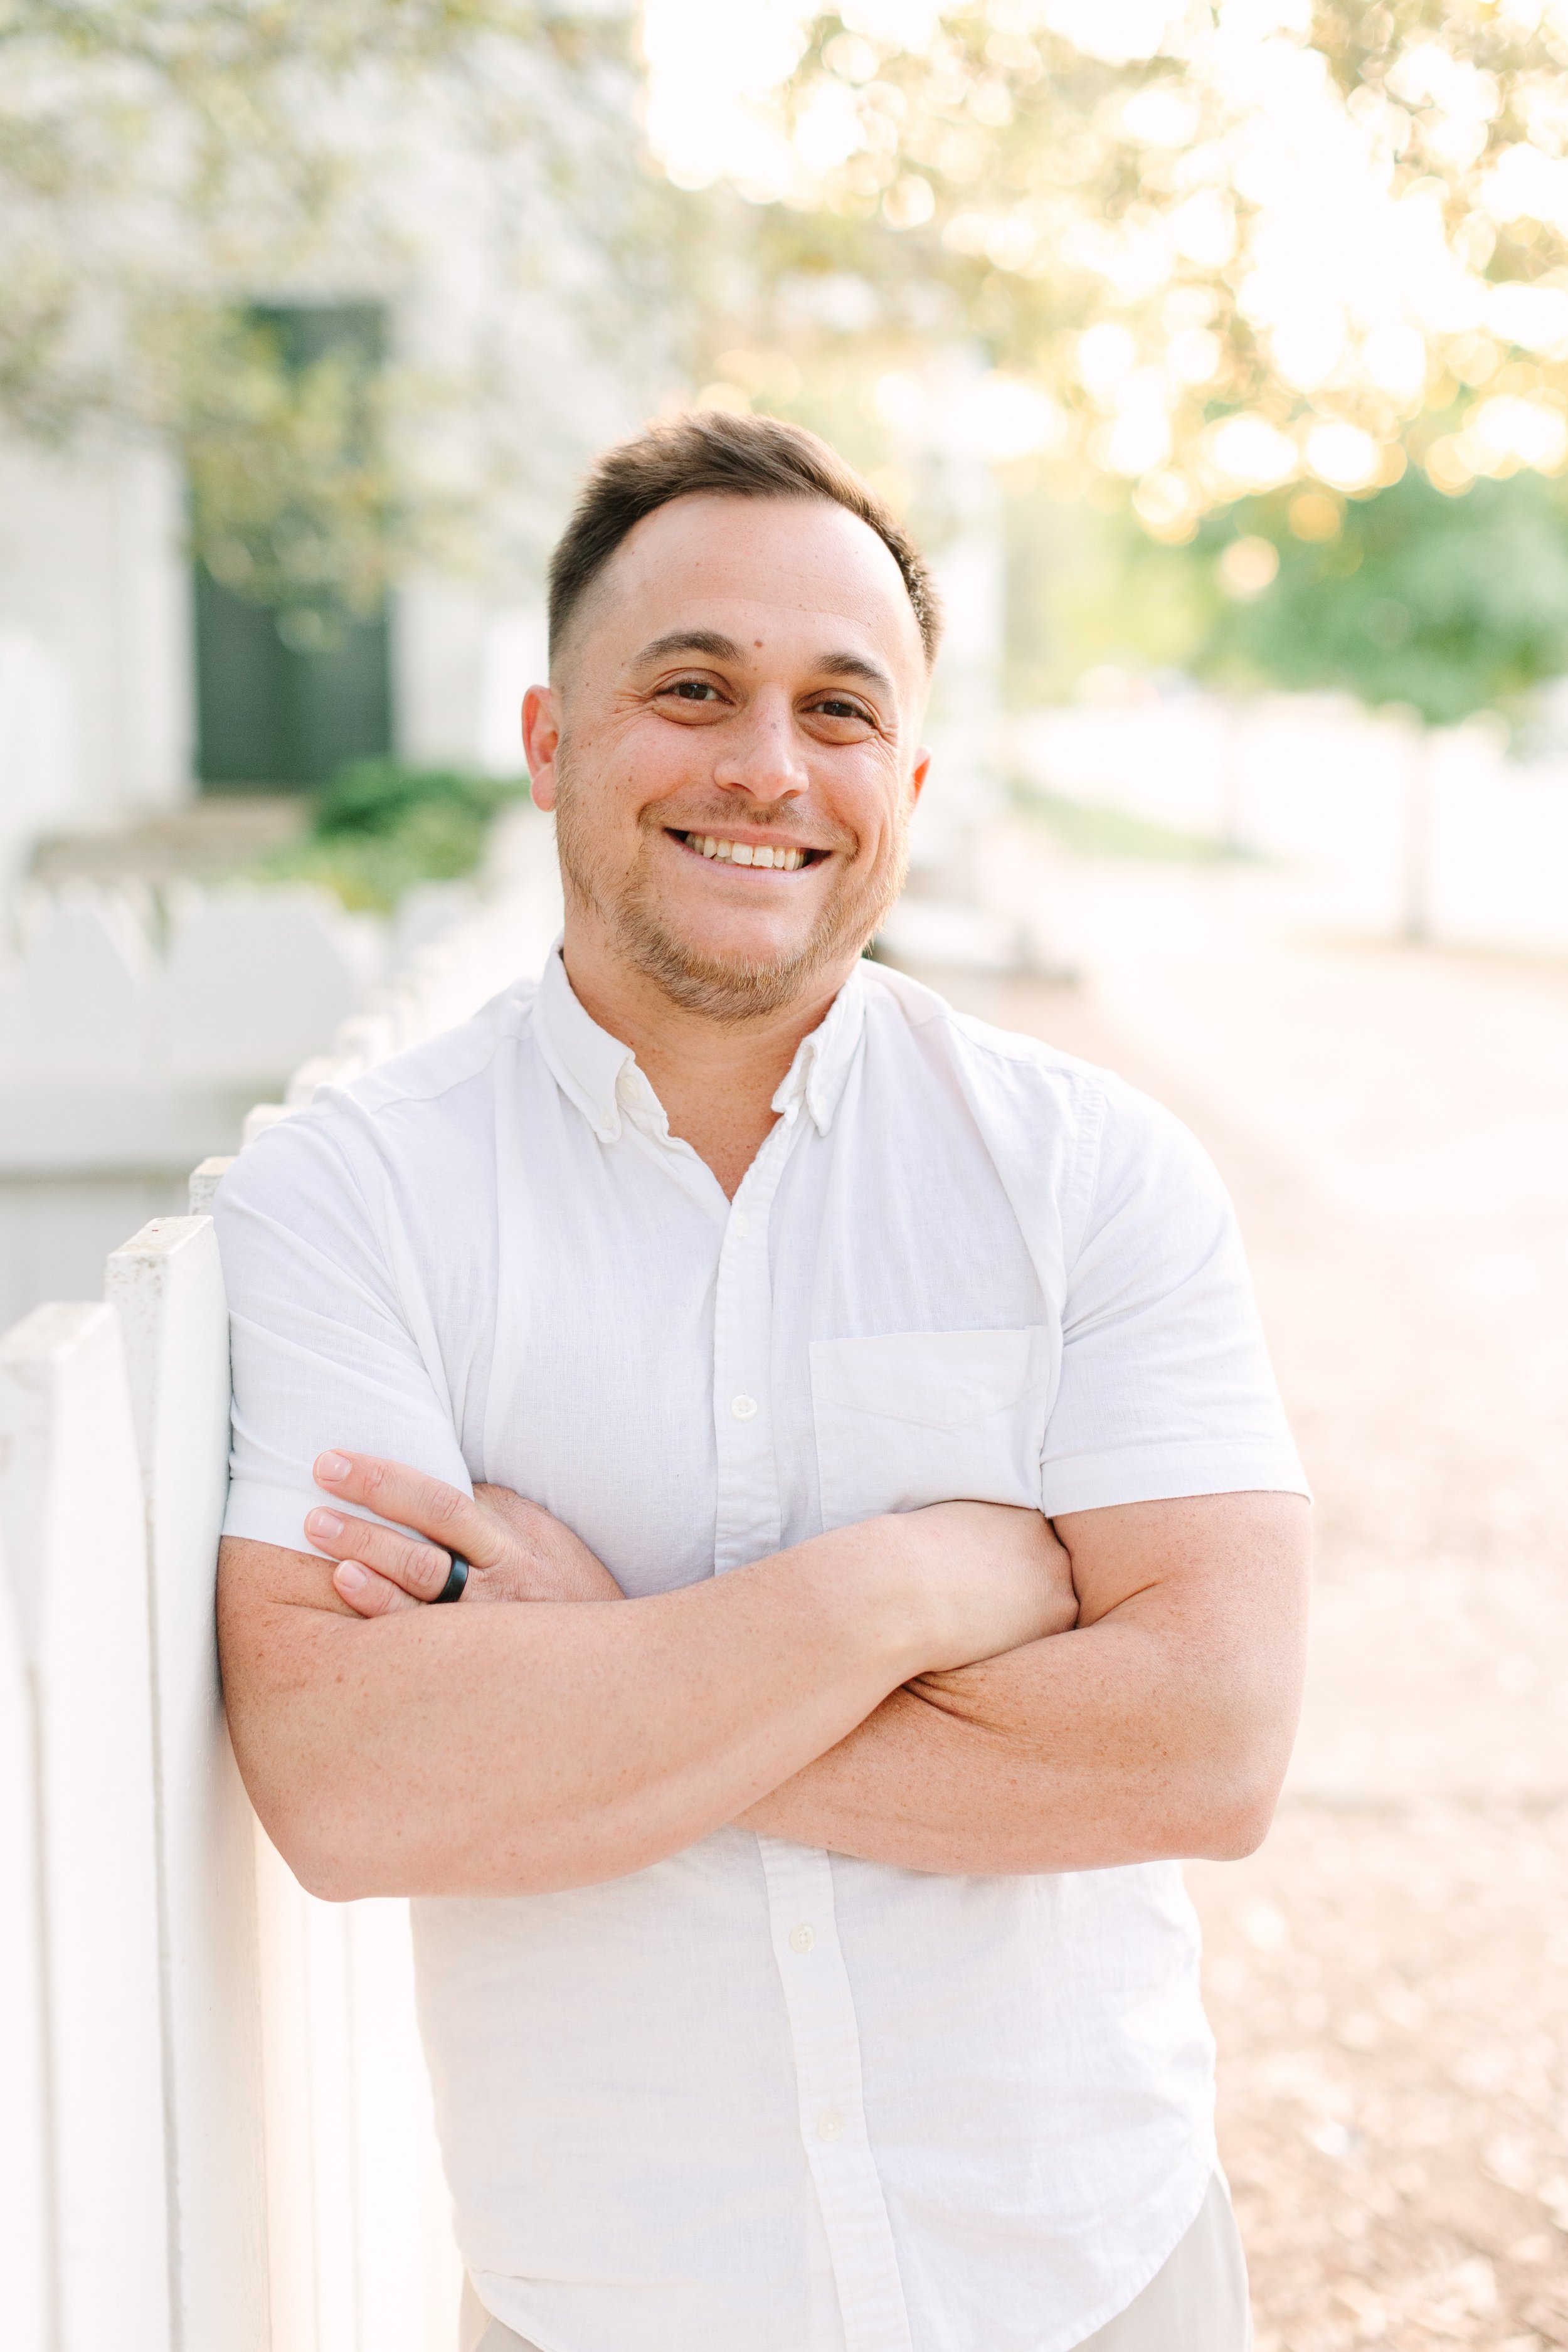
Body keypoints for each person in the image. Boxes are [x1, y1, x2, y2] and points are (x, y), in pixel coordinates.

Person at [216, 408, 1310, 2352]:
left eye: (834, 708)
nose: (764, 767)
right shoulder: (351, 1195)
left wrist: (595, 1677)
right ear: (552, 743)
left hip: (1082, 2269)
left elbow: (1204, 1744)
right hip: (612, 2298)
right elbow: (354, 1783)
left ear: (905, 770)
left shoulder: (1085, 1175)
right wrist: (885, 1593)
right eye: (692, 689)